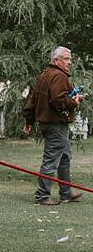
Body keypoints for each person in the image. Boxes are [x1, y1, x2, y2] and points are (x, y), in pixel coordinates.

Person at [22, 46, 84, 206]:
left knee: (64, 157)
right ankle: (42, 197)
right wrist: (74, 102)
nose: (69, 62)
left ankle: (66, 193)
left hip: (48, 123)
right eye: (66, 59)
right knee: (51, 160)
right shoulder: (59, 76)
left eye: (70, 59)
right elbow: (59, 100)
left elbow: (32, 101)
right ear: (55, 60)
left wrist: (29, 121)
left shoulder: (44, 75)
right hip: (56, 124)